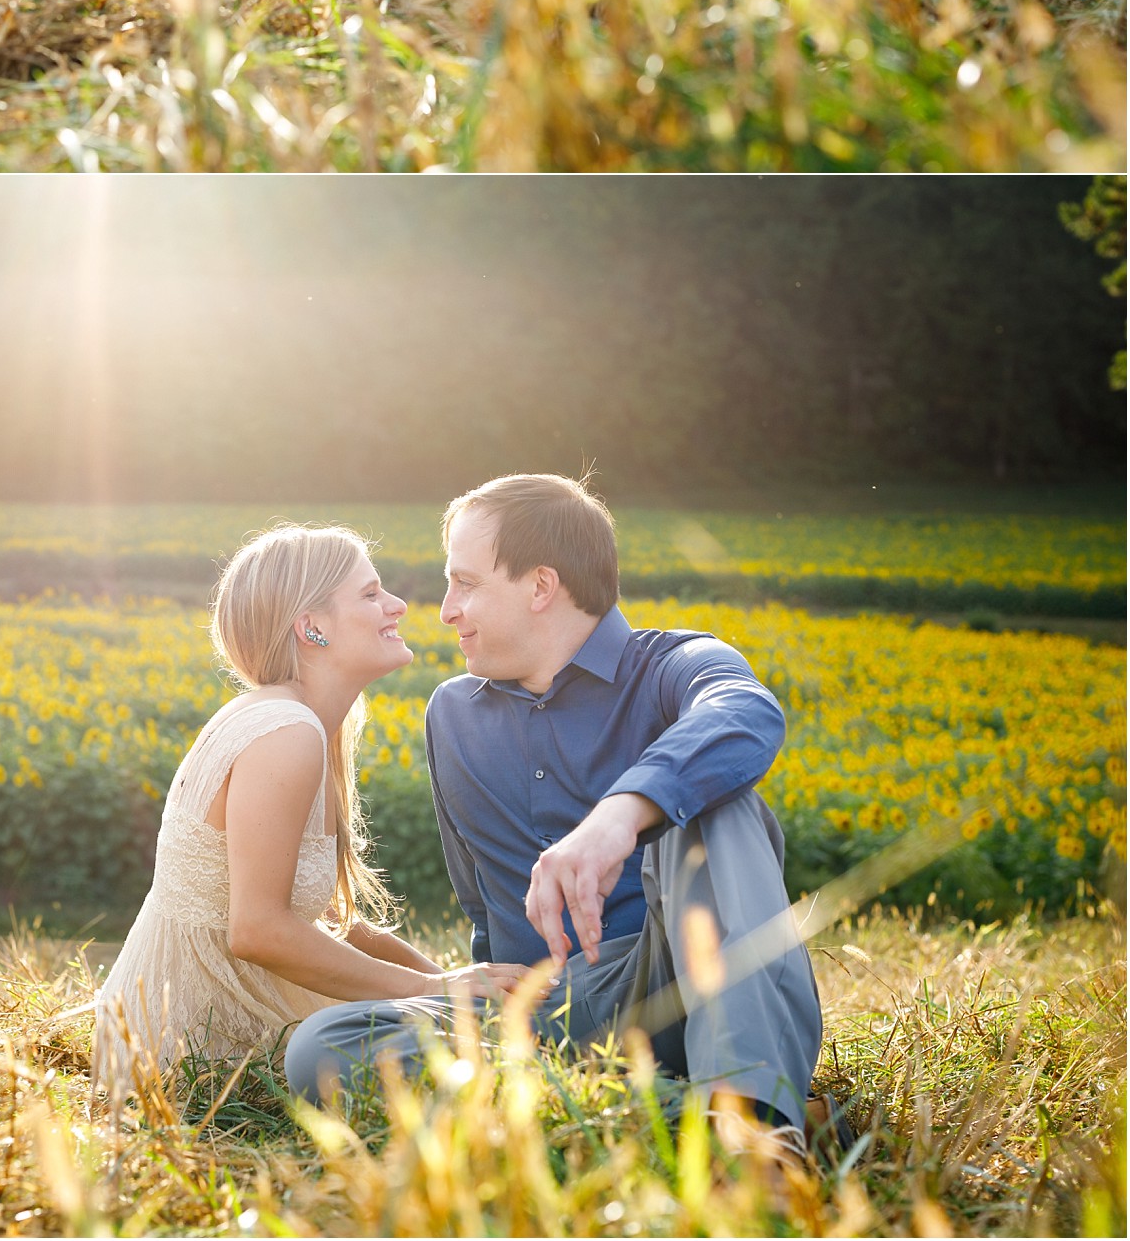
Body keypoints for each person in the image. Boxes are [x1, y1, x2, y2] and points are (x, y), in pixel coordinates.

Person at [284, 475, 826, 1166]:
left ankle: (754, 1127)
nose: (446, 611)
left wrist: (619, 818)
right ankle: (689, 1121)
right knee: (325, 1049)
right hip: (535, 1013)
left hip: (679, 984)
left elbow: (747, 714)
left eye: (467, 583)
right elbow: (482, 899)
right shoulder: (452, 715)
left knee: (719, 805)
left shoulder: (673, 667)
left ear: (541, 586)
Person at [90, 523, 526, 1103]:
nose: (397, 605)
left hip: (180, 1034)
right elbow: (258, 930)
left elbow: (330, 921)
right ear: (311, 626)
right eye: (371, 595)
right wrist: (434, 986)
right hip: (192, 1056)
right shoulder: (284, 733)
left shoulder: (301, 723)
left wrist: (454, 988)